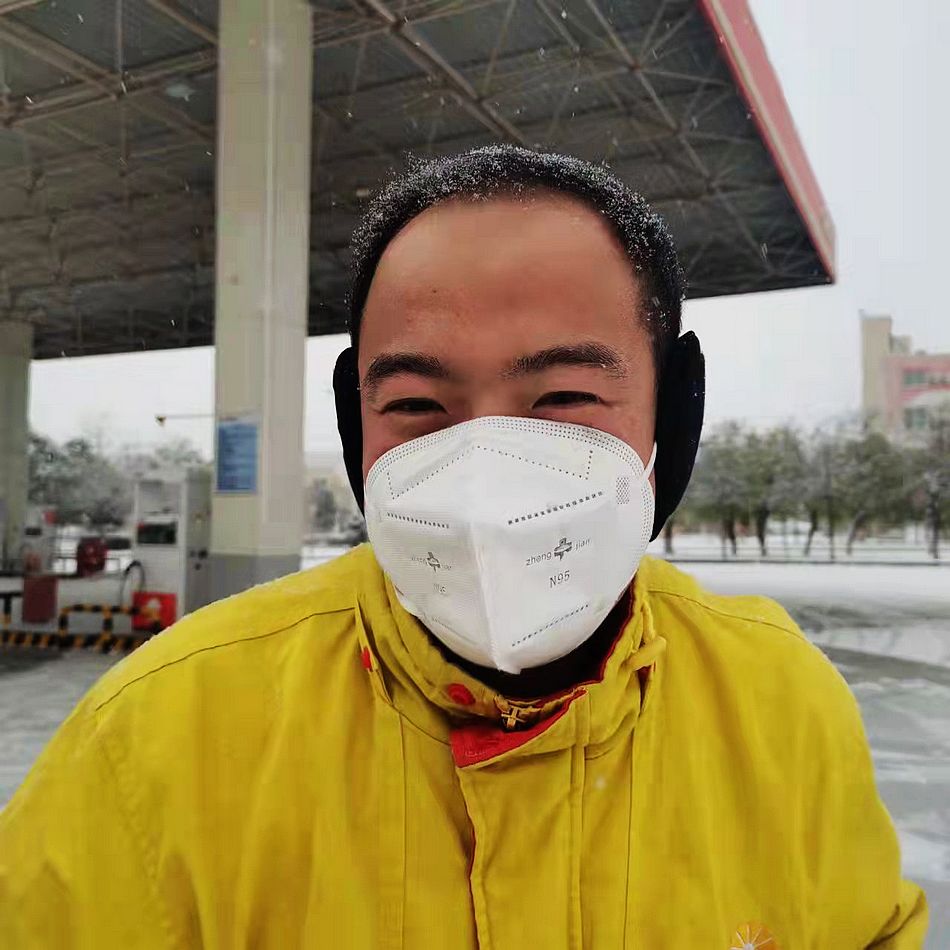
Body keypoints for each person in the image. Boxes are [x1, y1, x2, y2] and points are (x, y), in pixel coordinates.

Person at [0, 146, 927, 948]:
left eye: (563, 397)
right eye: (415, 405)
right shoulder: (157, 737)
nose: (485, 476)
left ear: (670, 420)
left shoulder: (781, 703)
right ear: (357, 428)